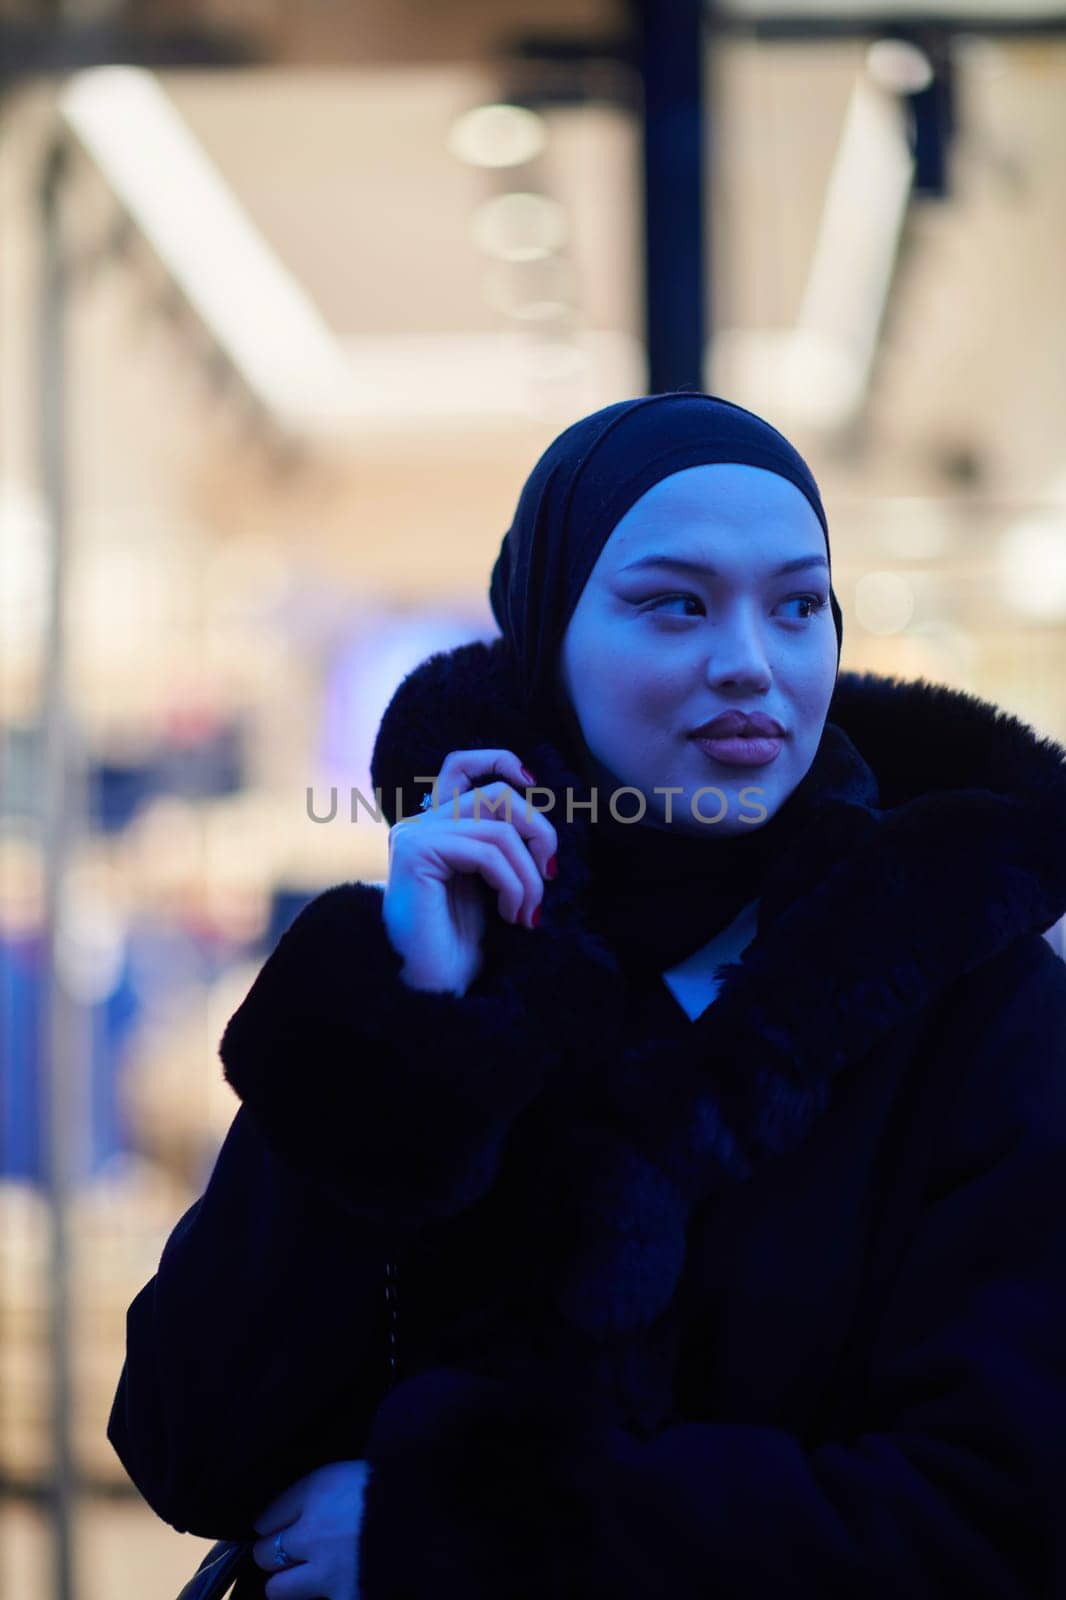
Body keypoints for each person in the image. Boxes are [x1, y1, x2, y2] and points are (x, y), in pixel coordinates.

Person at [107, 393, 1066, 1600]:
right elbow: (187, 1445)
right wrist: (416, 1025)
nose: (748, 663)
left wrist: (471, 1537)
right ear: (549, 635)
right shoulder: (437, 957)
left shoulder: (980, 1011)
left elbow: (995, 1521)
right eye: (675, 602)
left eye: (799, 605)